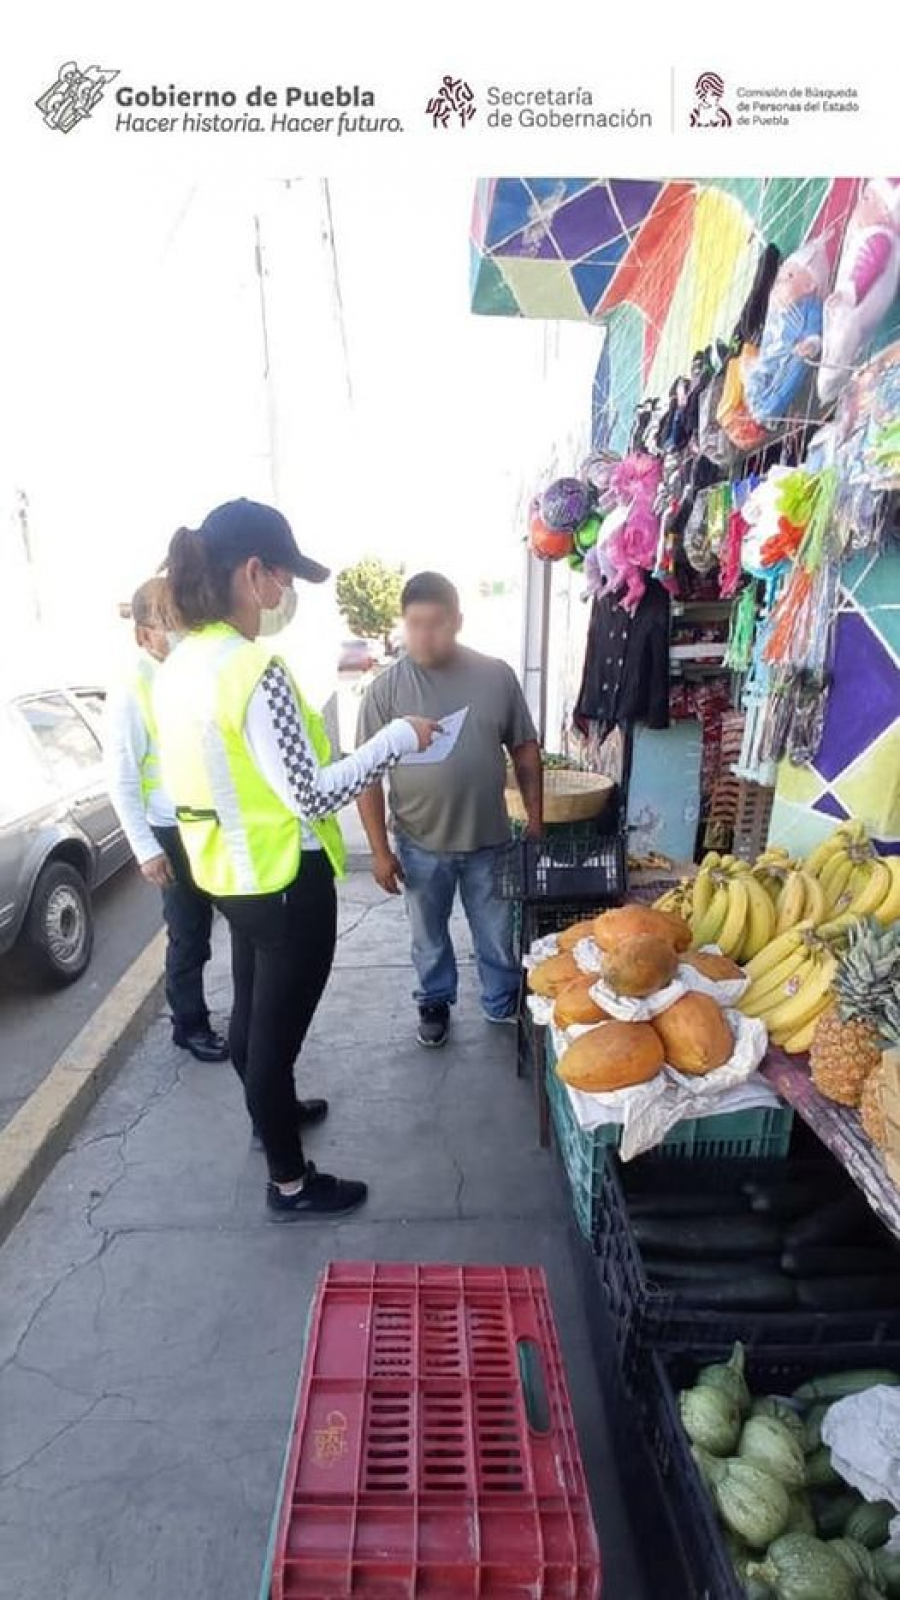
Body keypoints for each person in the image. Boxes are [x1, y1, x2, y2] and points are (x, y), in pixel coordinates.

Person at [154, 499, 440, 1221]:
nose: (287, 597)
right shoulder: (253, 669)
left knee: (255, 1022)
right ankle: (289, 1182)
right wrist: (396, 740)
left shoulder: (181, 664)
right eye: (284, 580)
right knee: (269, 1041)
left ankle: (270, 1117)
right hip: (284, 879)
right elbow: (312, 794)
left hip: (229, 875)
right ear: (253, 573)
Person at [356, 572, 543, 1049]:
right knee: (428, 937)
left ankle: (501, 1002)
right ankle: (434, 1002)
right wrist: (379, 850)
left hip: (490, 842)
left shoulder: (494, 675)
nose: (424, 634)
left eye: (435, 623)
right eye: (414, 623)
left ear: (457, 621)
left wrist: (537, 822)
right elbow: (366, 776)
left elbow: (524, 750)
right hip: (420, 842)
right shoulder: (385, 690)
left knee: (498, 935)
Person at [104, 577, 228, 1063]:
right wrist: (145, 848)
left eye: (183, 620)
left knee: (234, 919)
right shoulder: (134, 687)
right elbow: (121, 775)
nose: (178, 631)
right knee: (189, 931)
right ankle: (189, 1025)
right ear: (143, 634)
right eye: (168, 623)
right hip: (171, 831)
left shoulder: (189, 671)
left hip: (212, 822)